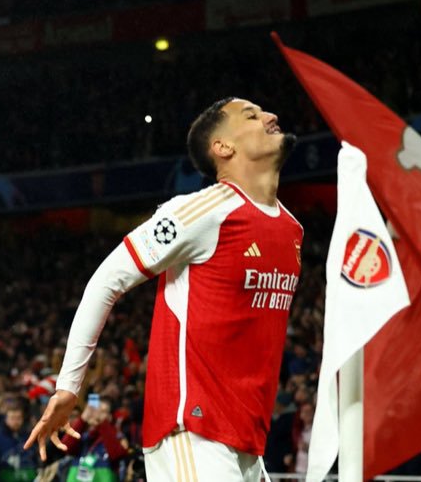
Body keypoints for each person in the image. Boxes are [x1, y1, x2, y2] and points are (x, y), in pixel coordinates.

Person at [26, 97, 303, 482]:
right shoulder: (203, 211)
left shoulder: (291, 229)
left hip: (246, 440)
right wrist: (69, 387)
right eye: (251, 115)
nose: (271, 116)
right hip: (191, 432)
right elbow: (105, 281)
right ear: (222, 147)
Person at [0, 399, 40, 482]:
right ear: (6, 419)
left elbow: (36, 460)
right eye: (12, 418)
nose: (15, 421)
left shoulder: (29, 437)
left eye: (18, 418)